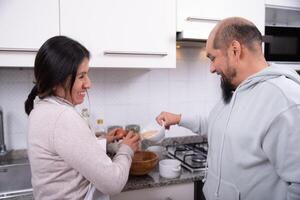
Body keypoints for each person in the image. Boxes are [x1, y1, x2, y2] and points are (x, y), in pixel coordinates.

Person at [156, 17, 300, 200]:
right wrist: (178, 118)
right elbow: (221, 127)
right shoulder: (236, 91)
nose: (211, 68)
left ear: (235, 50)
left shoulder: (285, 101)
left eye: (213, 58)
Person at [24, 36, 140, 200]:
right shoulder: (62, 117)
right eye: (81, 76)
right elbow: (113, 182)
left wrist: (103, 141)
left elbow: (67, 153)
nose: (89, 83)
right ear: (57, 80)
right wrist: (126, 149)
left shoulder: (42, 108)